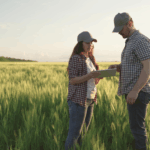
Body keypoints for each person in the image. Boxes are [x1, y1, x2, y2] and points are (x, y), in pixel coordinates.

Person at [109, 12, 150, 150]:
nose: (119, 32)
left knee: (137, 129)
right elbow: (135, 66)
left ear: (130, 24)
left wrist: (135, 90)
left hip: (138, 92)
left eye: (121, 28)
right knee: (135, 128)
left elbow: (148, 67)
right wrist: (119, 67)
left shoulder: (139, 40)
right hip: (134, 92)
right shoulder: (131, 41)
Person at [65, 31, 103, 150]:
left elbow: (92, 80)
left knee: (83, 133)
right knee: (74, 135)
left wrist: (97, 77)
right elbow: (73, 80)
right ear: (80, 44)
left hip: (90, 99)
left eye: (91, 43)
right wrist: (90, 75)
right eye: (87, 42)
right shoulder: (76, 58)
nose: (90, 45)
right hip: (79, 100)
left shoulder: (90, 59)